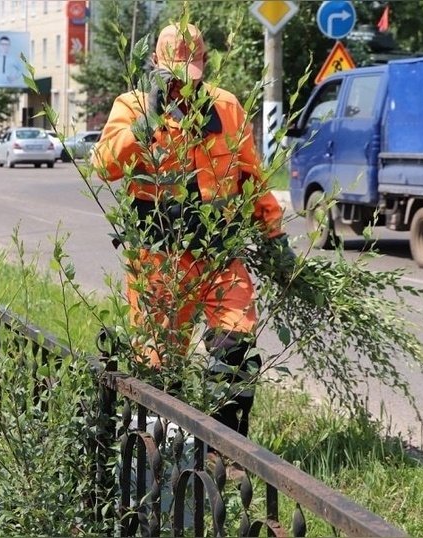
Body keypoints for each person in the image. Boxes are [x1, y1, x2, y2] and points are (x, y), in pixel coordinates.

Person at [91, 22, 294, 438]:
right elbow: (103, 165)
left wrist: (275, 236)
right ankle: (160, 452)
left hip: (220, 256)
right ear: (155, 64)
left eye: (192, 70)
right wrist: (146, 121)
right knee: (160, 365)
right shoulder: (132, 106)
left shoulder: (227, 107)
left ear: (203, 62)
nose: (184, 83)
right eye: (175, 73)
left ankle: (227, 451)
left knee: (234, 350)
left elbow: (251, 178)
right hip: (159, 259)